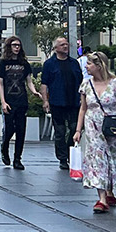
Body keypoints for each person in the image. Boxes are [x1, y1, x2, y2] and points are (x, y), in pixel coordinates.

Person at [74, 50, 116, 213]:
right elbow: (83, 108)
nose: (86, 67)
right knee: (98, 159)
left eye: (89, 64)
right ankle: (102, 199)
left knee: (113, 158)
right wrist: (78, 130)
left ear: (99, 65)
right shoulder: (86, 85)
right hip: (92, 127)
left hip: (112, 126)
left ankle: (109, 190)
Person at [38, 36, 84, 172]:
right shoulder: (49, 64)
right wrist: (45, 101)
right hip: (57, 102)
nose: (65, 47)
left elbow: (81, 82)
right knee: (60, 131)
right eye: (62, 45)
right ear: (56, 48)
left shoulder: (74, 63)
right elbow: (44, 84)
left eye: (67, 44)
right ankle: (62, 159)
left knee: (75, 128)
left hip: (74, 102)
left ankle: (70, 152)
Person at [0, 37, 36, 170]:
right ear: (9, 47)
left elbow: (29, 80)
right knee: (9, 129)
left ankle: (17, 158)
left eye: (18, 45)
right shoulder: (2, 63)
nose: (17, 48)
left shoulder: (24, 63)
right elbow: (0, 83)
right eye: (14, 45)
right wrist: (3, 101)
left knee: (21, 129)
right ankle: (4, 146)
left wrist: (34, 91)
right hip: (9, 100)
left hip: (21, 100)